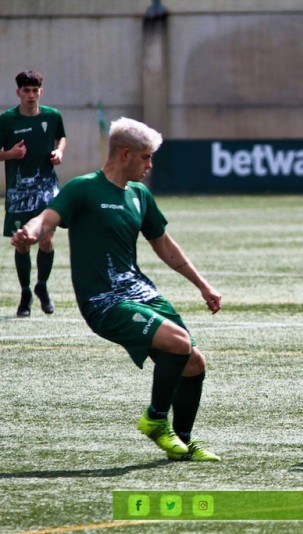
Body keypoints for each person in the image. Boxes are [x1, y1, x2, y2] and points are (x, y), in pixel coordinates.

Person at [11, 117, 222, 462]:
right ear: (125, 154)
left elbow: (164, 244)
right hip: (103, 301)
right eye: (145, 158)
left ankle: (182, 442)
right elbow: (45, 219)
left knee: (194, 362)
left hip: (141, 292)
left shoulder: (139, 195)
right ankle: (156, 419)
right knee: (179, 343)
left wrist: (203, 285)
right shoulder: (83, 188)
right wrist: (30, 233)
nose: (150, 166)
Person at [1, 71, 67, 317]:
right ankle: (25, 291)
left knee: (48, 239)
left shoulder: (52, 115)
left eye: (34, 90)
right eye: (26, 90)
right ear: (18, 92)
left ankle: (42, 285)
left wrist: (59, 152)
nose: (30, 95)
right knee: (22, 243)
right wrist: (10, 155)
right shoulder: (7, 120)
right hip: (19, 194)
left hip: (47, 189)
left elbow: (62, 138)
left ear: (41, 91)